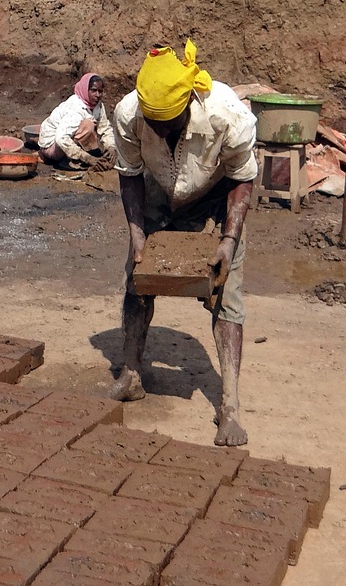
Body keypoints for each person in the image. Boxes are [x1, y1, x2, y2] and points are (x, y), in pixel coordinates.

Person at [108, 40, 258, 447]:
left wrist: (228, 240)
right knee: (137, 282)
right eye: (151, 123)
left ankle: (229, 406)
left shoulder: (227, 114)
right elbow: (129, 174)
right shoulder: (128, 114)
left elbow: (243, 179)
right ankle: (132, 373)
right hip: (158, 193)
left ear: (188, 103)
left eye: (166, 124)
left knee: (227, 296)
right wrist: (137, 232)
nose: (157, 130)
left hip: (215, 195)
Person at [37, 73, 117, 171]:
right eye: (93, 90)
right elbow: (61, 138)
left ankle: (75, 156)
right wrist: (86, 157)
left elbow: (105, 127)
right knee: (88, 125)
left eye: (100, 91)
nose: (97, 95)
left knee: (90, 125)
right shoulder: (75, 108)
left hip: (61, 142)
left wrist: (111, 146)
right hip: (52, 147)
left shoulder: (98, 106)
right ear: (85, 90)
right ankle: (67, 160)